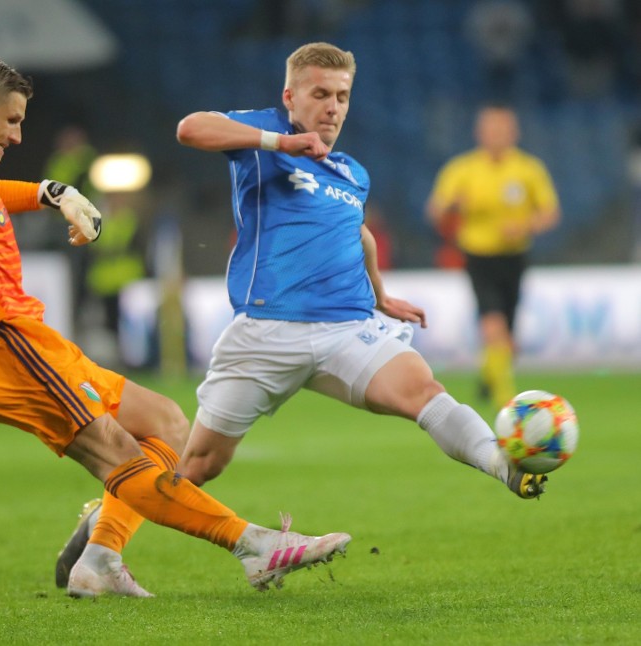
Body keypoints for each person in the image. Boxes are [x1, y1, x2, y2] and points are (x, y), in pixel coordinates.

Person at [0, 58, 351, 599]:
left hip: (28, 339)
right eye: (11, 121)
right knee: (119, 455)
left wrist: (49, 192)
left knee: (168, 424)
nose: (17, 135)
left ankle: (101, 555)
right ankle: (254, 547)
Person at [56, 42, 550, 595]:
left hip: (345, 327)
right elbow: (190, 128)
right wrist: (279, 140)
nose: (333, 107)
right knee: (196, 464)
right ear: (290, 96)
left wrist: (381, 294)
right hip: (266, 331)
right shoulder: (264, 135)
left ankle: (503, 464)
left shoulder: (350, 171)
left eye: (342, 97)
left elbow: (356, 232)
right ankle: (99, 550)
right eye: (320, 94)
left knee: (422, 389)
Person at [426, 105, 560, 409]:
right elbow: (435, 212)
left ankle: (489, 377)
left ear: (514, 133)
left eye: (503, 129)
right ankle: (506, 401)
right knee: (492, 323)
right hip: (478, 256)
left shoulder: (529, 169)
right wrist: (452, 207)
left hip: (515, 257)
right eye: (491, 129)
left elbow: (550, 213)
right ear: (480, 133)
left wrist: (526, 225)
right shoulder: (462, 169)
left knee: (507, 339)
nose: (497, 135)